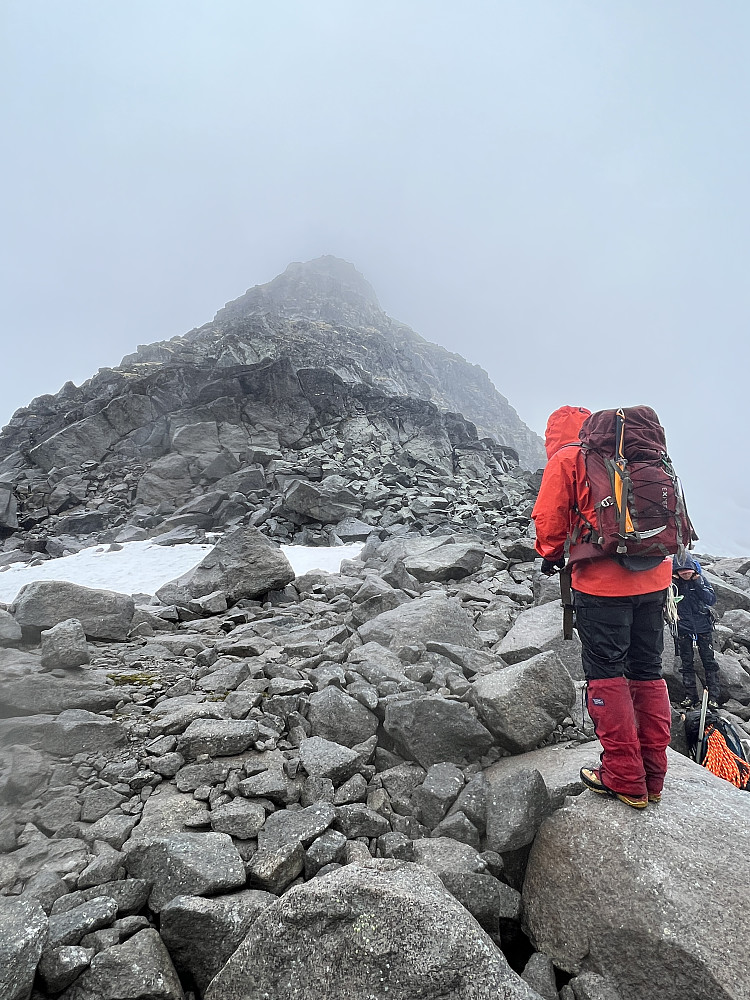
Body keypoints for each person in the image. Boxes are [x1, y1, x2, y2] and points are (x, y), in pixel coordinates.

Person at [532, 405, 673, 810]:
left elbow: (550, 519)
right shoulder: (635, 451)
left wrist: (551, 553)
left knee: (606, 673)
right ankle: (654, 775)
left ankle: (624, 777)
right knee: (646, 671)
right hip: (655, 576)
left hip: (603, 584)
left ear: (554, 434)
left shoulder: (568, 457)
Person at [672, 552, 720, 709]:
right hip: (683, 627)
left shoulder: (700, 580)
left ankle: (713, 697)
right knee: (686, 663)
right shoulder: (673, 584)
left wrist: (698, 583)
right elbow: (665, 601)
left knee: (709, 662)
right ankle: (690, 696)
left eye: (688, 572)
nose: (685, 574)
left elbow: (710, 599)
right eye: (682, 572)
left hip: (703, 626)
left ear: (694, 570)